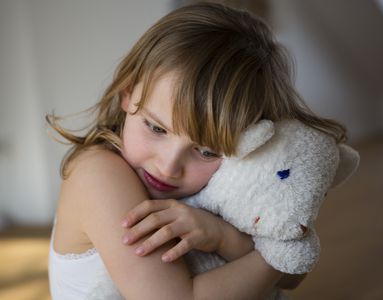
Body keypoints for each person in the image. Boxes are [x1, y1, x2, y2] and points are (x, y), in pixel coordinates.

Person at [47, 2, 346, 299]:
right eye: (156, 128)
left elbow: (292, 279)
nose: (168, 167)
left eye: (205, 152)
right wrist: (276, 252)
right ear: (128, 93)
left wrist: (222, 237)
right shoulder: (97, 174)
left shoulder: (231, 175)